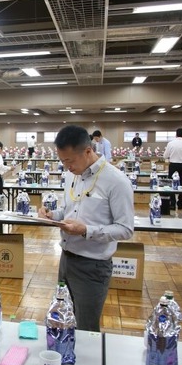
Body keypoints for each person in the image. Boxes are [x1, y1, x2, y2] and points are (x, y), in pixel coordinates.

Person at [39, 125, 134, 332]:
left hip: (93, 266)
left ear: (88, 151)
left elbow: (125, 229)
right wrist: (52, 215)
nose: (66, 167)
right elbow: (69, 209)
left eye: (70, 161)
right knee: (62, 319)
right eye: (62, 161)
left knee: (86, 328)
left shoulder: (116, 181)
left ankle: (85, 364)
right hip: (66, 259)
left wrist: (86, 230)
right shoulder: (72, 175)